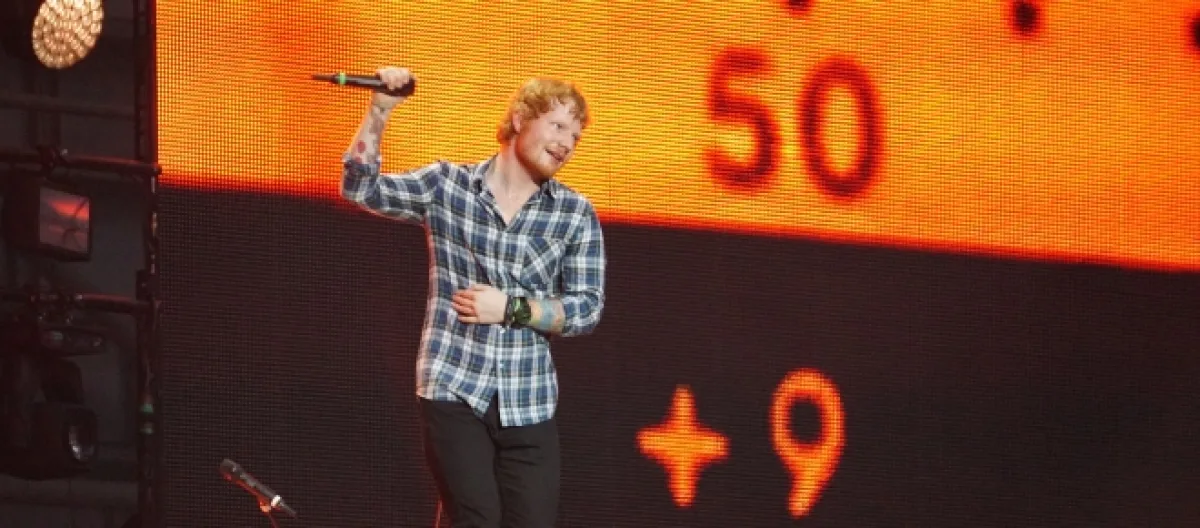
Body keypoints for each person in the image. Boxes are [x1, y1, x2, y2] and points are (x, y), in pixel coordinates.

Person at [340, 66, 606, 528]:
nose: (566, 143)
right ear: (520, 118)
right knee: (476, 517)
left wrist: (512, 308)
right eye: (558, 126)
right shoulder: (448, 186)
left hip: (528, 399)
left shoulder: (574, 213)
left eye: (575, 137)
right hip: (454, 384)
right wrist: (380, 110)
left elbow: (587, 308)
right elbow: (360, 188)